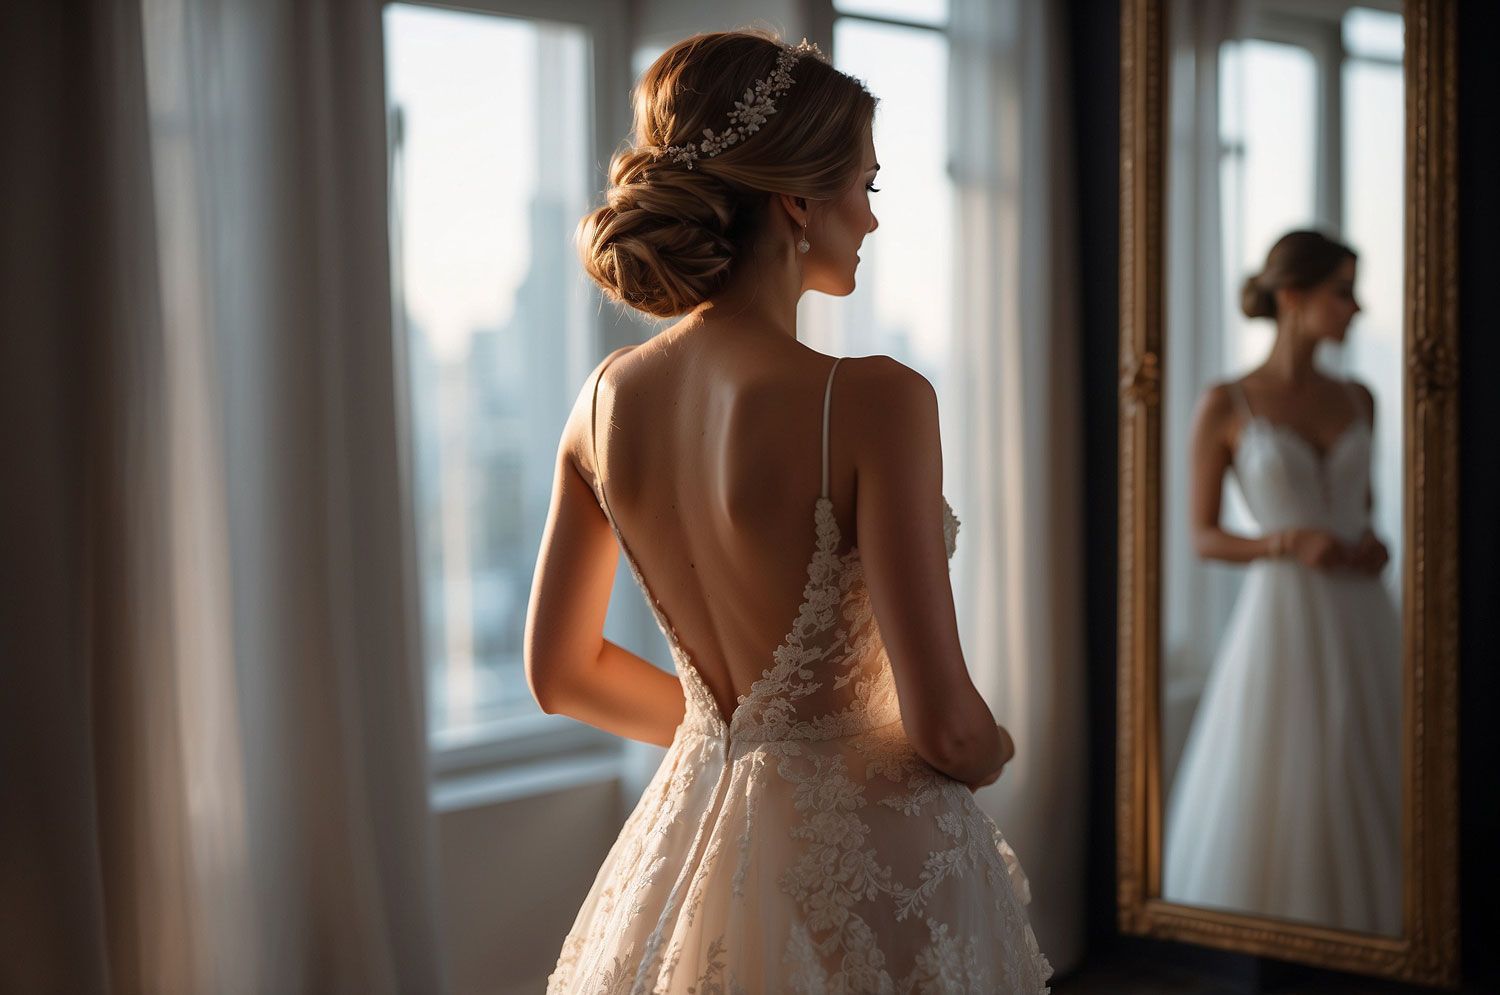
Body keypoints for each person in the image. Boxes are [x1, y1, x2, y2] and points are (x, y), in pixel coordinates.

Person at [523, 28, 1052, 994]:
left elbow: (563, 674)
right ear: (798, 201)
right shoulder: (878, 400)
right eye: (867, 186)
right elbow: (946, 729)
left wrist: (729, 737)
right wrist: (995, 747)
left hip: (690, 839)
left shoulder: (600, 404)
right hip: (868, 879)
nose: (873, 220)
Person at [1161, 230, 1402, 935]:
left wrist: (1374, 545)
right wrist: (1288, 540)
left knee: (1371, 762)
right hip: (1283, 616)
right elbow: (1202, 536)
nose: (1356, 308)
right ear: (1293, 296)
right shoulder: (1227, 402)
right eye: (1343, 291)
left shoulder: (1360, 397)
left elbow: (1364, 512)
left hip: (1363, 614)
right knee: (1293, 774)